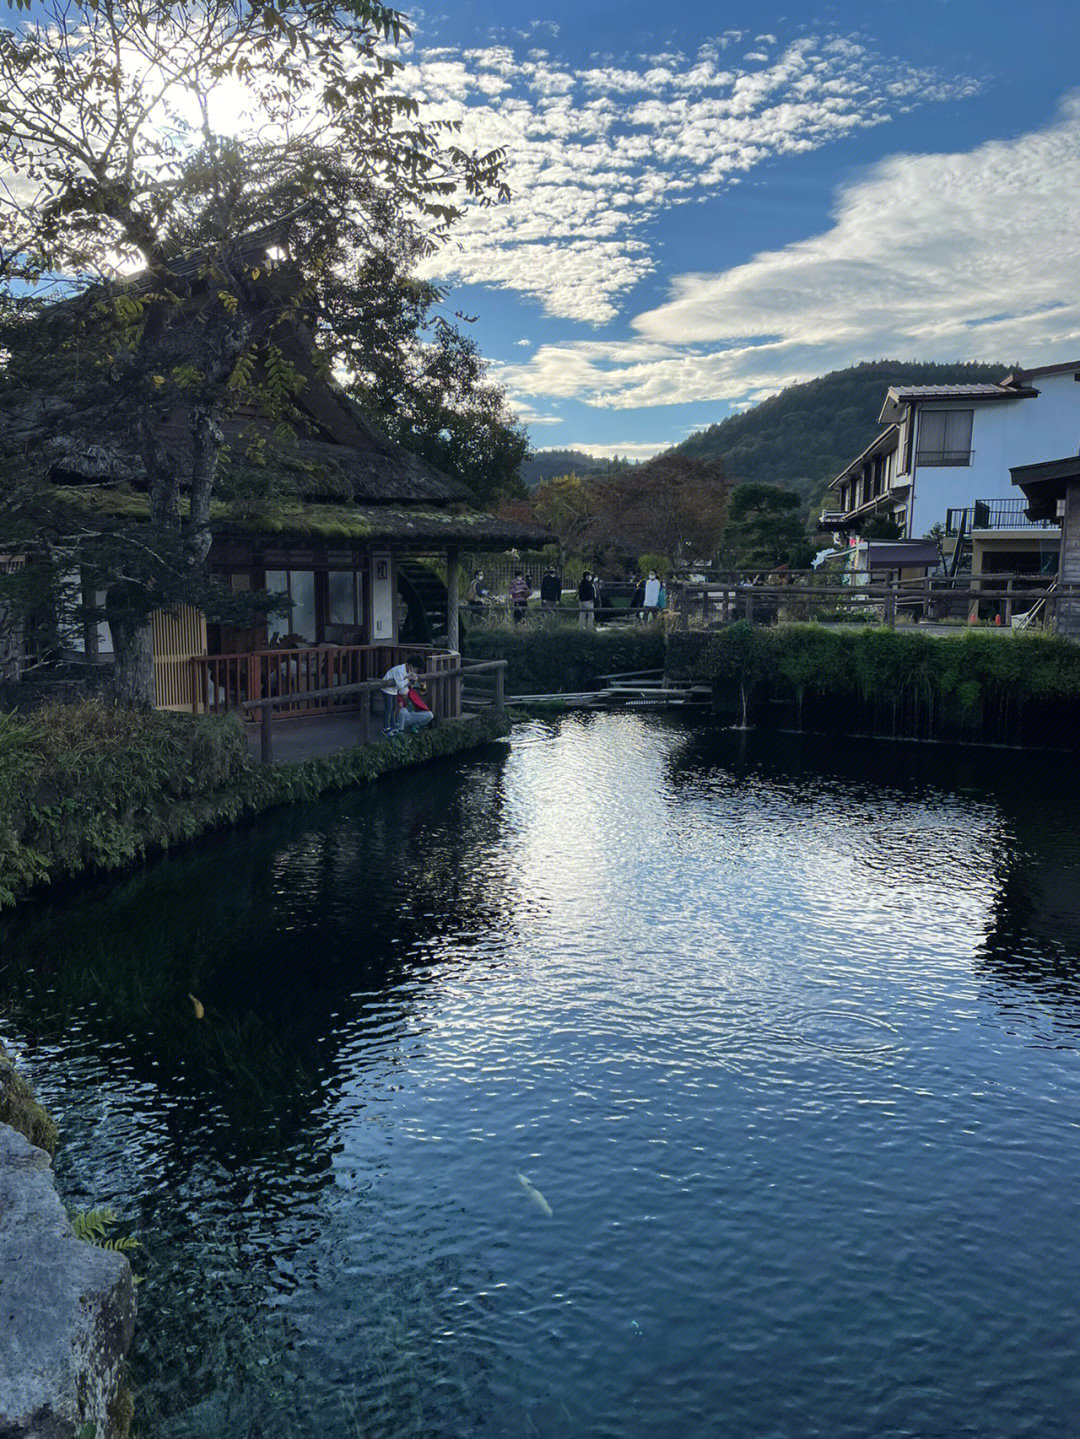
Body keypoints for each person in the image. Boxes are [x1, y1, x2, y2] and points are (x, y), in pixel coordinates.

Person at [381, 653, 425, 735]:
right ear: (411, 666)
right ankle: (386, 727)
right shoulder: (400, 670)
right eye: (415, 669)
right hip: (386, 689)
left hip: (394, 690)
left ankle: (393, 725)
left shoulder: (408, 671)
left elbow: (403, 688)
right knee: (389, 708)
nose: (415, 671)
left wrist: (411, 682)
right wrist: (408, 679)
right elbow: (400, 685)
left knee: (393, 708)